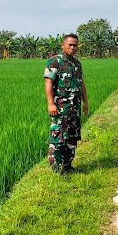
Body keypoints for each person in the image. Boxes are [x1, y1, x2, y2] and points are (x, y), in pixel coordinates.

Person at [44, 34, 89, 175]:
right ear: (63, 46)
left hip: (74, 109)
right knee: (58, 138)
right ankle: (56, 170)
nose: (72, 47)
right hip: (60, 108)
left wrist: (85, 102)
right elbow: (48, 83)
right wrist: (51, 103)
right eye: (69, 44)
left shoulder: (77, 64)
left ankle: (68, 166)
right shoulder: (54, 62)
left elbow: (81, 84)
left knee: (72, 137)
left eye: (75, 45)